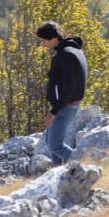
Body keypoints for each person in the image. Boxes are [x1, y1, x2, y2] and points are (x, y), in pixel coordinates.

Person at [36, 21, 87, 164]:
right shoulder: (74, 50)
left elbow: (68, 87)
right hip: (67, 104)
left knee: (55, 145)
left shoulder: (64, 55)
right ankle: (58, 176)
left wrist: (54, 111)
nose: (43, 43)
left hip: (65, 105)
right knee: (51, 142)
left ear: (54, 39)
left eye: (44, 40)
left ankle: (85, 167)